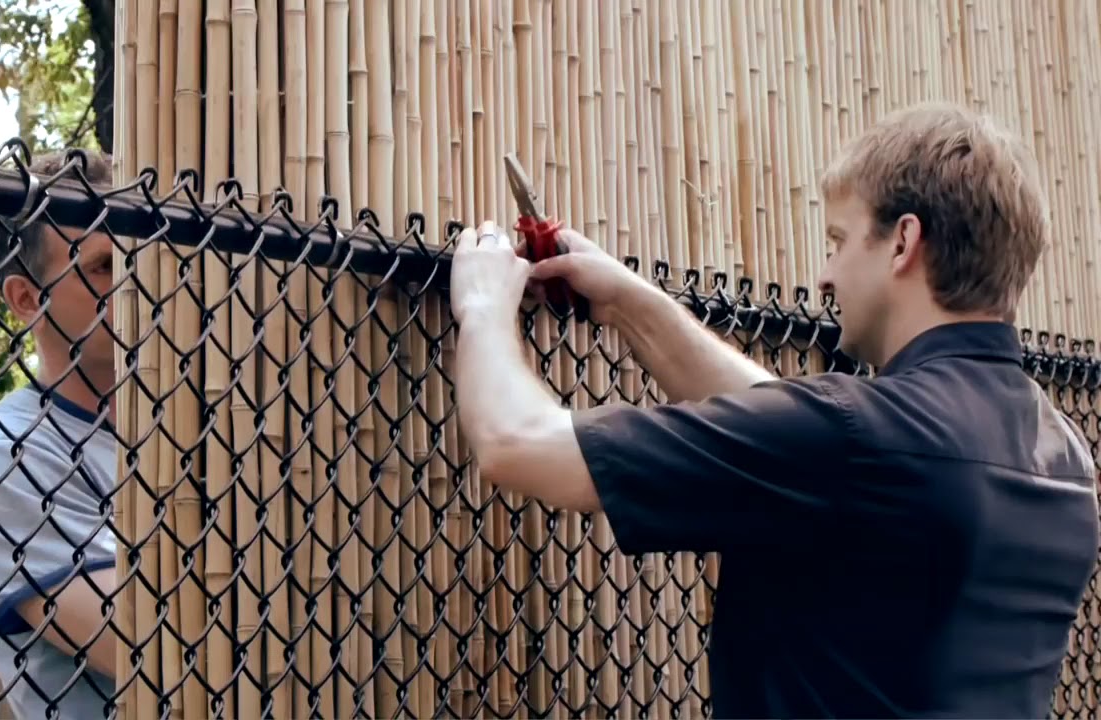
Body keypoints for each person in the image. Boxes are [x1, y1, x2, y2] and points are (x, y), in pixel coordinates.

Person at [448, 101, 1100, 718]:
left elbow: (518, 441)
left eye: (839, 240)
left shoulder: (858, 440)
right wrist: (629, 305)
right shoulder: (1066, 462)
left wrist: (482, 307)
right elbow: (796, 433)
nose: (825, 275)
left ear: (903, 242)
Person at [0, 149, 120, 719]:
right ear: (26, 299)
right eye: (105, 265)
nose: (141, 284)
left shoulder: (208, 419)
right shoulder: (0, 458)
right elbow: (154, 642)